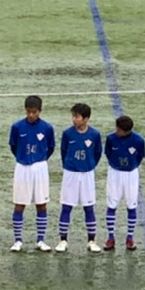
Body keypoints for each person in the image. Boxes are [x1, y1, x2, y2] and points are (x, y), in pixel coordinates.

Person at [9, 94, 56, 252]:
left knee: (41, 204)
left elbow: (51, 147)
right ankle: (18, 240)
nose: (31, 115)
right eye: (28, 111)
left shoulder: (47, 128)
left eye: (34, 112)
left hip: (40, 167)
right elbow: (13, 146)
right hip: (22, 167)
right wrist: (22, 157)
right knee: (19, 204)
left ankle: (40, 240)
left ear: (40, 111)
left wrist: (40, 159)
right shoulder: (17, 127)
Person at [57, 102, 102, 253]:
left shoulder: (94, 135)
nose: (74, 119)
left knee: (89, 208)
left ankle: (92, 240)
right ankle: (63, 240)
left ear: (86, 118)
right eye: (73, 116)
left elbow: (97, 153)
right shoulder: (68, 134)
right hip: (71, 173)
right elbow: (63, 151)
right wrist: (70, 166)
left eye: (77, 116)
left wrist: (89, 165)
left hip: (87, 174)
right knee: (66, 206)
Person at [103, 115, 145, 251]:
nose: (116, 131)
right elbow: (108, 153)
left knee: (131, 205)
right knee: (111, 204)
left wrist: (131, 166)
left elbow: (140, 157)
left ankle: (130, 238)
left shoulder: (138, 140)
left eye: (119, 130)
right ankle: (111, 237)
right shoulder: (111, 138)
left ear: (126, 131)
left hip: (131, 174)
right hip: (114, 173)